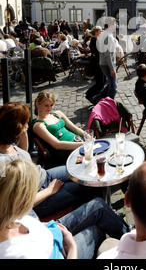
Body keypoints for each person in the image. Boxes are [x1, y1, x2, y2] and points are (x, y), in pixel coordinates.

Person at [0, 159, 130, 259]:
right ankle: (133, 245)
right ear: (22, 198)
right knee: (96, 230)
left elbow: (33, 226)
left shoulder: (10, 214)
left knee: (98, 206)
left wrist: (45, 227)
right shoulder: (15, 252)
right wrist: (72, 248)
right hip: (63, 250)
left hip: (52, 231)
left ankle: (133, 237)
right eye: (32, 192)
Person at [0, 102, 106, 220]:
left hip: (45, 175)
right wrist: (50, 190)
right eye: (25, 124)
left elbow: (23, 156)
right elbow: (17, 204)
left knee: (86, 170)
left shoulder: (9, 144)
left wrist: (24, 134)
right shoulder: (2, 164)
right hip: (39, 197)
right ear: (15, 128)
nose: (27, 126)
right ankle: (96, 214)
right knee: (91, 185)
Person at [32, 91, 84, 164]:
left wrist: (87, 135)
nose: (49, 108)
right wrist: (84, 144)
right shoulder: (39, 125)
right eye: (46, 105)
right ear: (37, 104)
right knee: (84, 160)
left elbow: (75, 128)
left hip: (79, 141)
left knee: (97, 153)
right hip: (68, 151)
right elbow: (57, 144)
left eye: (51, 105)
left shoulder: (58, 114)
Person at [93, 17, 117, 102]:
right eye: (115, 23)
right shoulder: (108, 36)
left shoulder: (103, 34)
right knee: (114, 87)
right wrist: (112, 68)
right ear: (111, 25)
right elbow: (107, 54)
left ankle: (97, 98)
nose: (116, 25)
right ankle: (109, 105)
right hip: (107, 64)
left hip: (104, 62)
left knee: (111, 84)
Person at [85, 26, 105, 103]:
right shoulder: (94, 41)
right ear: (96, 32)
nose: (102, 32)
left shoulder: (96, 40)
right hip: (97, 64)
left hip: (99, 63)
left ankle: (97, 96)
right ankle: (89, 95)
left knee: (102, 82)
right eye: (100, 31)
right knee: (100, 82)